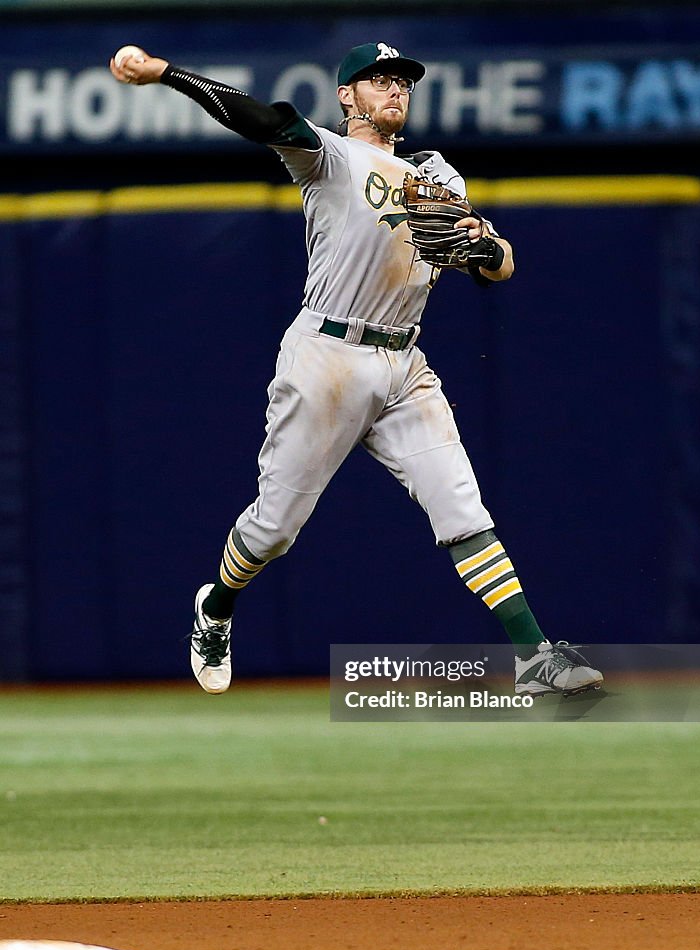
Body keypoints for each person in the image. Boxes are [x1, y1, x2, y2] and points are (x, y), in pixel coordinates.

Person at [109, 41, 603, 698]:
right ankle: (217, 609)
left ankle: (535, 656)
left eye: (403, 81)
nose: (395, 88)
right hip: (327, 356)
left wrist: (487, 246)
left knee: (462, 507)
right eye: (379, 80)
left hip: (403, 362)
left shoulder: (438, 174)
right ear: (348, 96)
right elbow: (261, 119)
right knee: (274, 528)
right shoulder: (329, 156)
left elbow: (500, 265)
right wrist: (167, 74)